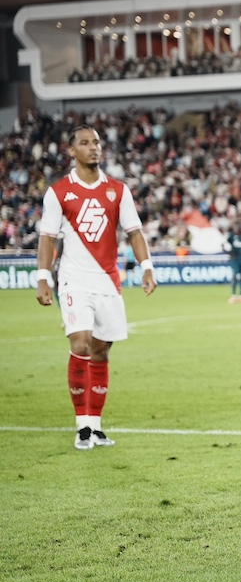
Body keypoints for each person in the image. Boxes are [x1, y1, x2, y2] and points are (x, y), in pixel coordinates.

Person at [35, 124, 157, 451]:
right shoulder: (58, 192)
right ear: (71, 151)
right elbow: (48, 238)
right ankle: (81, 427)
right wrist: (43, 277)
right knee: (81, 342)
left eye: (97, 142)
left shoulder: (118, 190)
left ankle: (96, 425)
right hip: (74, 279)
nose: (93, 148)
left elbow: (134, 232)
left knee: (102, 352)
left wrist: (147, 269)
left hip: (108, 281)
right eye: (85, 143)